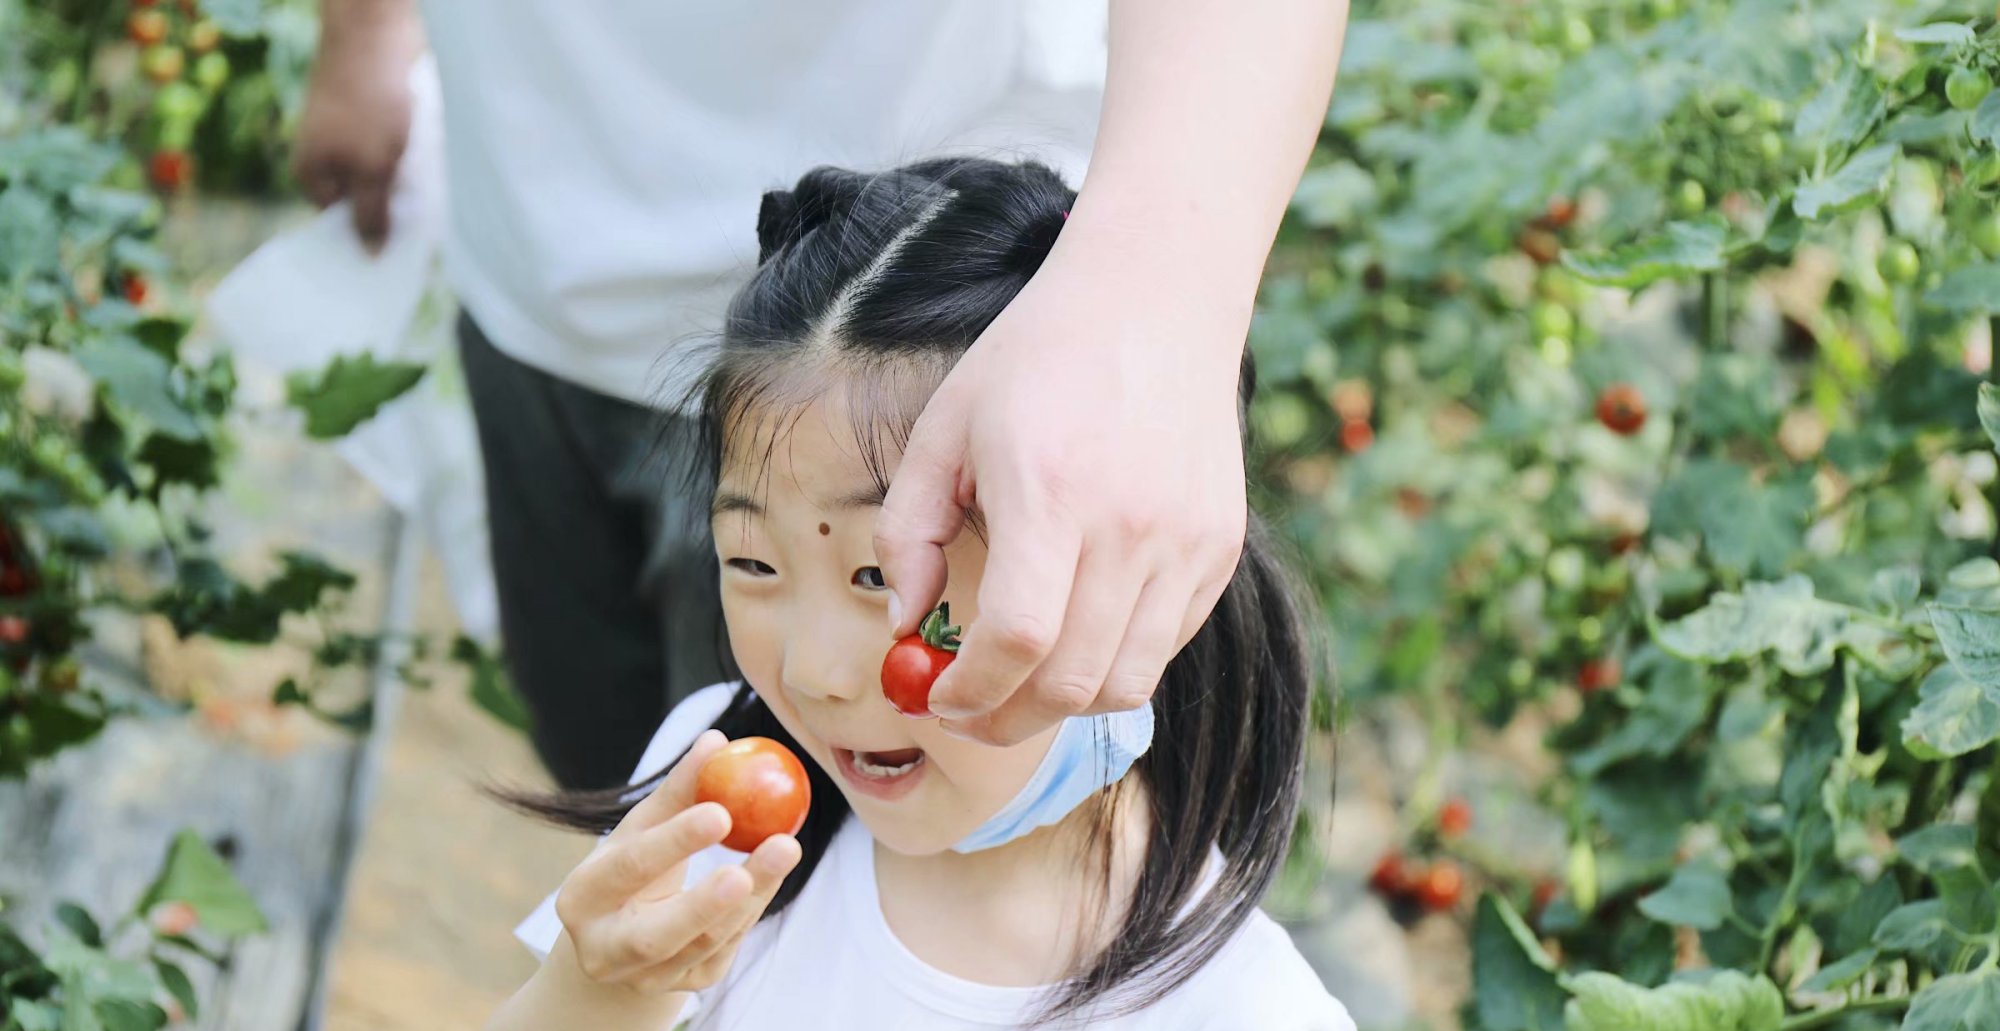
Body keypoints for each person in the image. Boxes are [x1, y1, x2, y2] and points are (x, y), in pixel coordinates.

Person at [455, 158, 1367, 1031]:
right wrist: (601, 989)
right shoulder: (725, 798)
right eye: (755, 564)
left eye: (887, 577)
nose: (820, 674)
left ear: (1126, 571)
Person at [294, 0, 1351, 790]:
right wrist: (366, 29)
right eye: (748, 560)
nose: (816, 667)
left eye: (863, 574)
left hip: (940, 313)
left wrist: (1159, 295)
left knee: (915, 834)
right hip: (528, 248)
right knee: (631, 791)